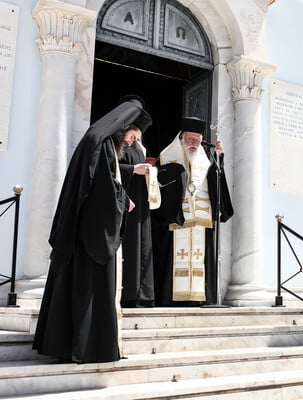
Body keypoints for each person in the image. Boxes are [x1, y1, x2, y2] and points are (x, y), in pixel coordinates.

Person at [32, 98, 152, 363]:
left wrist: (122, 196)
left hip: (82, 230)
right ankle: (88, 348)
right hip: (92, 236)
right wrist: (122, 200)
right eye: (132, 138)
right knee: (91, 288)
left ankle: (68, 346)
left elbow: (105, 182)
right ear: (125, 126)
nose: (131, 143)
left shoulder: (98, 139)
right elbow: (101, 190)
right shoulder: (103, 144)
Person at [152, 117, 234, 306]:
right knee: (174, 259)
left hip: (201, 219)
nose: (194, 144)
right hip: (177, 218)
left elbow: (215, 183)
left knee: (200, 259)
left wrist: (219, 158)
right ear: (182, 137)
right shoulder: (167, 157)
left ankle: (199, 299)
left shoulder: (206, 159)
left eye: (197, 140)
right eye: (190, 139)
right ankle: (170, 299)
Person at [117, 96, 155, 308]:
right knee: (129, 248)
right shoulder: (116, 143)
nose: (131, 141)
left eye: (135, 138)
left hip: (142, 204)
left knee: (143, 247)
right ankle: (128, 293)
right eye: (131, 136)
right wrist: (133, 169)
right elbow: (110, 169)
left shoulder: (140, 147)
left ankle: (143, 294)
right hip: (126, 201)